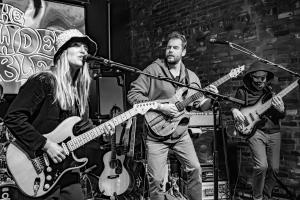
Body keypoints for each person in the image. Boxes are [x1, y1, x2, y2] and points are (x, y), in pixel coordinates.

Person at [4, 29, 115, 200]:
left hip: (68, 169)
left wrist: (103, 134)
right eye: (76, 45)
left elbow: (83, 131)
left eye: (85, 47)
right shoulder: (43, 81)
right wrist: (46, 145)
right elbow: (13, 117)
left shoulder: (79, 94)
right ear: (62, 52)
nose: (83, 50)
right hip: (37, 167)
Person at [127, 31, 218, 200]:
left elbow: (200, 105)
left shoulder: (192, 78)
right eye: (168, 47)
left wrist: (210, 98)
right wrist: (161, 107)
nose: (170, 51)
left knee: (195, 169)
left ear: (183, 52)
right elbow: (133, 95)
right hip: (156, 135)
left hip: (180, 135)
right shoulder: (154, 70)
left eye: (175, 48)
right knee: (156, 181)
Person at [231, 62, 285, 200]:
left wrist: (281, 110)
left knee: (275, 169)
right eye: (257, 78)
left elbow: (281, 114)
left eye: (264, 78)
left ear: (267, 78)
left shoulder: (272, 91)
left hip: (274, 132)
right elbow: (234, 106)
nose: (261, 81)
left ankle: (266, 197)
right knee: (261, 166)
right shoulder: (243, 91)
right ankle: (258, 198)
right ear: (251, 77)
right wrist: (235, 110)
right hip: (255, 132)